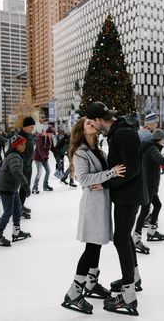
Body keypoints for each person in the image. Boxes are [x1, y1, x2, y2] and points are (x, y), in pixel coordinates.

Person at [86, 101, 148, 316]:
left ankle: (128, 297)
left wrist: (105, 182)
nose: (94, 127)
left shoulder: (122, 133)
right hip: (125, 195)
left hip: (128, 196)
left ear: (98, 120)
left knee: (121, 240)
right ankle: (133, 279)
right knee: (125, 238)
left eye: (93, 123)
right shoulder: (117, 131)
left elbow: (131, 169)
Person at [61, 117, 126, 314]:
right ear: (82, 130)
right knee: (91, 247)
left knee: (96, 245)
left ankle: (91, 283)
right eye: (88, 124)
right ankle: (74, 292)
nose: (93, 125)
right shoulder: (80, 152)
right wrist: (111, 173)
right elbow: (84, 179)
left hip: (102, 203)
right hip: (93, 206)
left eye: (93, 123)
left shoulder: (97, 150)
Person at [0, 135, 31, 247]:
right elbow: (17, 172)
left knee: (17, 209)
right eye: (22, 144)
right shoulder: (14, 156)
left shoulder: (15, 155)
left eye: (24, 144)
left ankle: (16, 231)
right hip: (6, 188)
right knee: (8, 212)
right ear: (16, 145)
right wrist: (26, 185)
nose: (24, 146)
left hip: (12, 188)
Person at [18, 116, 35, 219]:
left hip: (28, 165)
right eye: (31, 126)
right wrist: (23, 163)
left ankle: (20, 205)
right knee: (24, 187)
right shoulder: (19, 136)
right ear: (25, 126)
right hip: (23, 166)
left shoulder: (29, 135)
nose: (32, 128)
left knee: (25, 187)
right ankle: (18, 209)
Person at [32, 126, 56, 193]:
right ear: (47, 133)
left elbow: (52, 148)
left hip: (44, 158)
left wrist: (59, 153)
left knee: (48, 171)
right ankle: (34, 188)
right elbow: (40, 149)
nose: (51, 135)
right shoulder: (41, 138)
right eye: (51, 133)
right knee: (39, 173)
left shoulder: (50, 139)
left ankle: (45, 186)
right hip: (38, 158)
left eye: (52, 134)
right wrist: (44, 157)